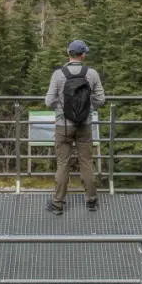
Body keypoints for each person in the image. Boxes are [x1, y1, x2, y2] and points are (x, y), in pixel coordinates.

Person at [44, 40, 106, 215]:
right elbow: (101, 100)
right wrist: (88, 106)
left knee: (63, 164)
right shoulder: (92, 74)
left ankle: (57, 204)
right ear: (83, 55)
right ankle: (91, 201)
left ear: (68, 53)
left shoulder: (58, 74)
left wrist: (62, 108)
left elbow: (48, 101)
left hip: (63, 127)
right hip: (84, 125)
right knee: (86, 163)